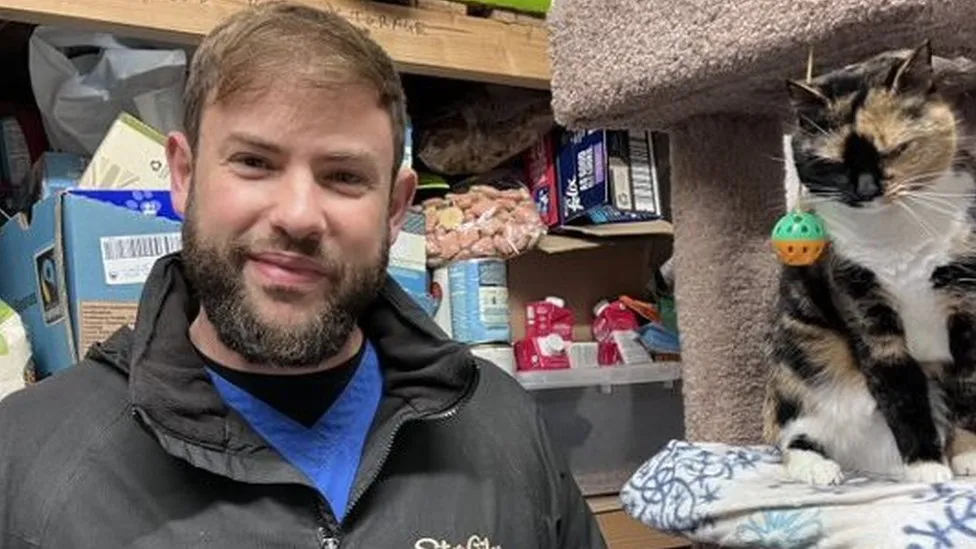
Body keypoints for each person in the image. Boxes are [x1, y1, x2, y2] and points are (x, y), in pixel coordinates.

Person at [0, 2, 607, 548]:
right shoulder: (26, 460)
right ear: (182, 176)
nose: (297, 216)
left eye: (344, 176)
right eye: (254, 162)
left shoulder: (501, 425)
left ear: (395, 208)